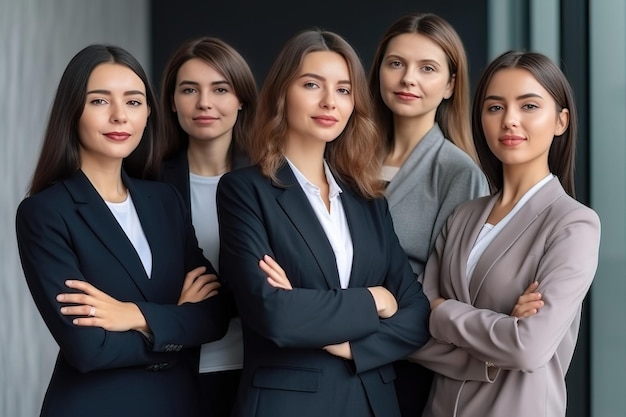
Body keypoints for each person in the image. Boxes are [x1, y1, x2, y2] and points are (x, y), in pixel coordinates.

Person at [216, 29, 431, 417]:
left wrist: (353, 345)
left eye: (345, 90)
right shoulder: (245, 191)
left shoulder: (369, 202)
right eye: (312, 84)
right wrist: (375, 299)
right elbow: (274, 315)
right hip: (288, 404)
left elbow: (416, 315)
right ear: (283, 92)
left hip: (373, 402)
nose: (330, 101)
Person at [15, 44, 228, 417]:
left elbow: (215, 315)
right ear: (72, 112)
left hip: (179, 404)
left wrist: (132, 316)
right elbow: (88, 348)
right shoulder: (45, 212)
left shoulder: (165, 201)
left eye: (133, 102)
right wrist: (176, 321)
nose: (119, 116)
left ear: (148, 113)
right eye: (99, 102)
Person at [409, 50, 601, 417]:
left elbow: (528, 348)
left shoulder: (573, 224)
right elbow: (413, 333)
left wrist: (443, 311)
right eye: (495, 107)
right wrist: (500, 330)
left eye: (529, 106)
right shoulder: (463, 216)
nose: (510, 120)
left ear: (561, 121)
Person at [367, 12, 489, 415]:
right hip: (327, 350)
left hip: (405, 365)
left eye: (428, 68)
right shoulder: (345, 158)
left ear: (451, 84)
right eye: (396, 63)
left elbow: (450, 293)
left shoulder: (458, 172)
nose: (408, 79)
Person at [158, 36, 258, 417]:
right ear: (171, 101)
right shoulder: (147, 184)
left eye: (220, 89)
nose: (204, 103)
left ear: (241, 99)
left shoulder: (273, 183)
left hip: (255, 370)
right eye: (189, 90)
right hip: (175, 369)